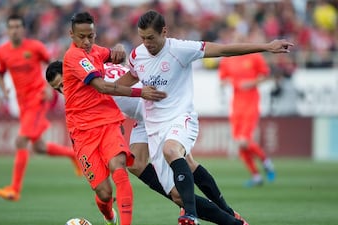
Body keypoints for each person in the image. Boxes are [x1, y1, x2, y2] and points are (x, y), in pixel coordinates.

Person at [115, 10, 293, 225]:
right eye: (142, 38)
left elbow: (224, 50)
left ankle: (190, 216)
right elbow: (124, 83)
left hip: (181, 118)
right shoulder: (137, 55)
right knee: (179, 191)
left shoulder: (180, 49)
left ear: (164, 31)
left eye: (151, 38)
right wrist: (97, 90)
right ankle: (234, 220)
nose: (147, 43)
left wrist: (266, 46)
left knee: (171, 150)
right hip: (154, 128)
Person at [46, 60, 249, 225]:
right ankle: (214, 209)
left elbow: (108, 96)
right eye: (59, 89)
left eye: (63, 83)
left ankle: (228, 218)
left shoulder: (90, 84)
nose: (64, 91)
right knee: (137, 162)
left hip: (156, 109)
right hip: (143, 113)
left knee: (182, 180)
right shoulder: (93, 66)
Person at [62, 12, 167, 225]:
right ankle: (109, 215)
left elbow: (114, 54)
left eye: (91, 36)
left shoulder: (96, 51)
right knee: (104, 193)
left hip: (108, 122)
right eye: (81, 37)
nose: (87, 42)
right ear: (71, 34)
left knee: (120, 168)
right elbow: (101, 86)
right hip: (82, 131)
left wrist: (119, 49)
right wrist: (141, 92)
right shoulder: (73, 57)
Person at [0, 14, 81, 202]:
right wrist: (3, 89)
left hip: (38, 98)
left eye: (18, 26)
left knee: (21, 141)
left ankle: (14, 189)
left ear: (23, 29)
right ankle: (73, 155)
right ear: (7, 30)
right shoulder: (2, 52)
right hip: (22, 103)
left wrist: (50, 88)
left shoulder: (34, 47)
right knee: (39, 147)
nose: (15, 30)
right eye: (11, 27)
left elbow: (53, 65)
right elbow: (0, 73)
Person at [218, 33, 276, 187]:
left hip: (251, 103)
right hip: (236, 105)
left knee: (244, 141)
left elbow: (265, 75)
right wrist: (229, 81)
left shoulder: (254, 56)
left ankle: (266, 161)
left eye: (241, 39)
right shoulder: (227, 59)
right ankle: (256, 176)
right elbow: (222, 79)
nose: (238, 42)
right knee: (239, 143)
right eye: (236, 39)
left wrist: (252, 83)